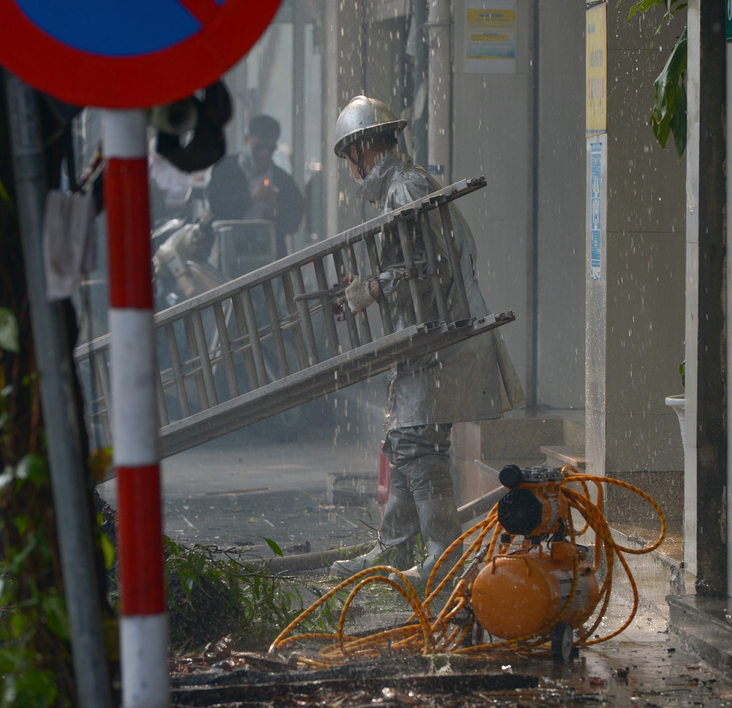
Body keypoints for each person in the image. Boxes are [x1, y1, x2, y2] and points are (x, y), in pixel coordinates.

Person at [329, 96, 525, 584]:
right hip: (428, 342)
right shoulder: (403, 185)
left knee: (418, 447)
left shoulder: (405, 187)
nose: (351, 172)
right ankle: (393, 549)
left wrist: (371, 289)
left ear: (361, 149)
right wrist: (369, 286)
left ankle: (444, 557)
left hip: (440, 344)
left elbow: (426, 267)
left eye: (350, 158)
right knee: (405, 443)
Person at [205, 114, 305, 258]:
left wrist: (276, 206)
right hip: (231, 252)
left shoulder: (281, 178)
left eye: (271, 148)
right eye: (259, 147)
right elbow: (217, 206)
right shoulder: (225, 170)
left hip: (270, 254)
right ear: (247, 140)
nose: (265, 153)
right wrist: (250, 198)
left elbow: (295, 218)